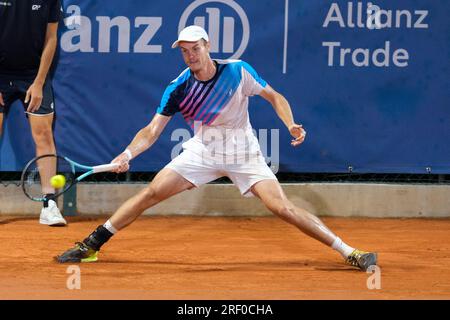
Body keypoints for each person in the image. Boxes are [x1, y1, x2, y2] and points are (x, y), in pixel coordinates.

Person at [56, 26, 377, 270]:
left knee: (283, 208)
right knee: (150, 193)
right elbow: (152, 130)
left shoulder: (238, 71)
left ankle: (350, 252)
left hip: (244, 153)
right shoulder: (179, 86)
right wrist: (127, 155)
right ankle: (93, 244)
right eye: (184, 51)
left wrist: (290, 124)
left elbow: (275, 97)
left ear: (207, 46)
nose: (190, 55)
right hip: (202, 152)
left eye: (195, 48)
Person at [0, 0, 66, 226]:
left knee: (43, 134)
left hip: (33, 74)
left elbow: (51, 38)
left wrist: (38, 83)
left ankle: (49, 204)